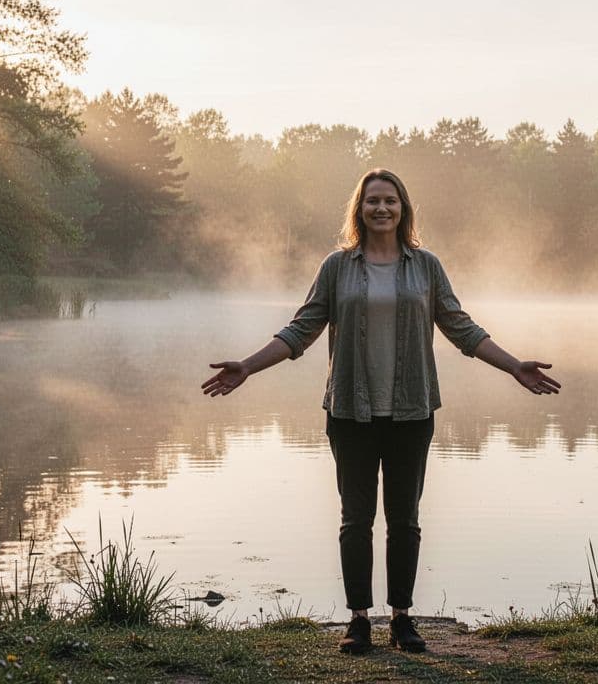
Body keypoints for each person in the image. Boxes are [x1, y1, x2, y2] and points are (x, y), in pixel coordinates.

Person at [201, 168, 560, 654]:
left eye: (390, 200)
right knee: (355, 518)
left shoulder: (426, 267)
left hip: (411, 411)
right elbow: (300, 330)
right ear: (360, 209)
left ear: (403, 208)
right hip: (351, 412)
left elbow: (462, 329)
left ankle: (403, 618)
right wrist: (247, 366)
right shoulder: (337, 267)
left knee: (405, 520)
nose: (382, 208)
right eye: (373, 201)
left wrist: (515, 366)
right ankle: (359, 620)